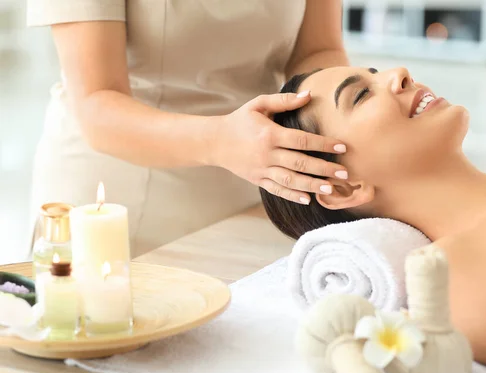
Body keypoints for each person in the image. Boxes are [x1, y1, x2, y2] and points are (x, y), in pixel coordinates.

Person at [260, 66, 486, 373]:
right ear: (345, 189)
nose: (400, 72)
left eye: (375, 72)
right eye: (361, 94)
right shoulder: (458, 272)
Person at [25, 1, 350, 256]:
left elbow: (316, 50)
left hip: (256, 190)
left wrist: (342, 114)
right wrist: (224, 141)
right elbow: (97, 102)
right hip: (119, 199)